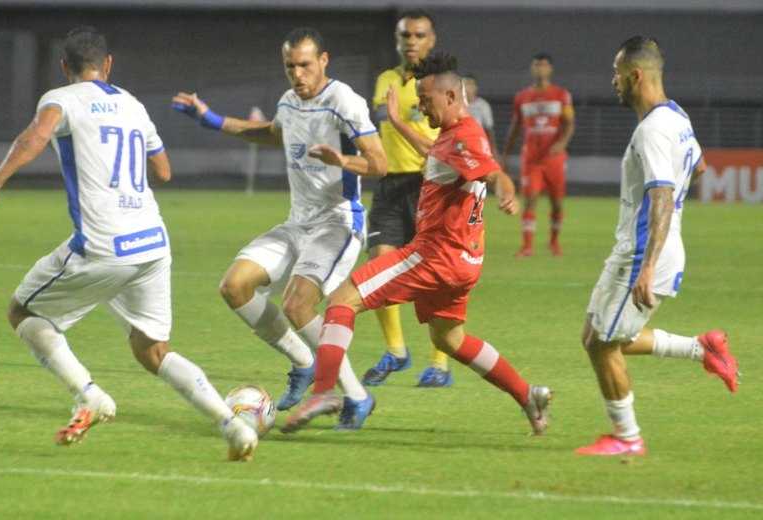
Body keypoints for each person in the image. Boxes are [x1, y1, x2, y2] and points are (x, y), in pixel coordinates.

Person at [0, 27, 258, 461]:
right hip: (151, 244)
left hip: (102, 246)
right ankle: (233, 427)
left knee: (21, 312)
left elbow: (35, 135)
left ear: (65, 67)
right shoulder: (132, 103)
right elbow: (162, 172)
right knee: (154, 351)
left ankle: (88, 395)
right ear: (107, 66)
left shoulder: (61, 98)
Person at [282, 52, 552, 435]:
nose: (420, 107)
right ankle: (528, 395)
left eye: (425, 100)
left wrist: (507, 193)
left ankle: (324, 392)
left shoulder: (466, 138)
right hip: (464, 262)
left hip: (433, 256)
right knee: (449, 338)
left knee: (342, 298)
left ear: (451, 97)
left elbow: (494, 174)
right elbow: (435, 153)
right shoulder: (453, 137)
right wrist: (395, 122)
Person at [171, 27, 387, 430]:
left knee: (296, 304)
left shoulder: (344, 102)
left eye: (305, 65)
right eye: (290, 67)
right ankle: (303, 361)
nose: (298, 74)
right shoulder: (289, 102)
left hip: (338, 222)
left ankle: (356, 395)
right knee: (234, 286)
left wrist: (342, 160)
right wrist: (212, 120)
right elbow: (273, 134)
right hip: (297, 223)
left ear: (323, 61)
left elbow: (380, 162)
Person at [575, 36, 739, 457]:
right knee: (600, 332)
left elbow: (663, 196)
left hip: (642, 254)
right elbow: (698, 166)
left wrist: (647, 267)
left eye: (616, 73)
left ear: (635, 75)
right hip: (648, 248)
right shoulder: (676, 115)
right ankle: (703, 349)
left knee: (600, 343)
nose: (612, 80)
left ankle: (627, 438)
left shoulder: (652, 130)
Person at [363, 9, 455, 389]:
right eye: (405, 36)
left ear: (431, 40)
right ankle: (396, 351)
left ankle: (440, 362)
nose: (411, 42)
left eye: (418, 35)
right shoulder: (385, 79)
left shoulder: (441, 82)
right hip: (388, 184)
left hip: (428, 186)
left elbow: (453, 132)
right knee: (380, 265)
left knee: (434, 274)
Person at [501, 52, 575, 257]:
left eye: (543, 65)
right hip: (531, 159)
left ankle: (553, 242)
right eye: (536, 65)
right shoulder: (522, 97)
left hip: (554, 159)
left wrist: (561, 143)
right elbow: (515, 128)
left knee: (557, 203)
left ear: (550, 69)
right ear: (532, 69)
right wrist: (505, 156)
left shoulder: (561, 95)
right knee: (530, 199)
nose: (540, 69)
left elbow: (569, 124)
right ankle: (527, 247)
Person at [463, 74, 498, 158]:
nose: (467, 87)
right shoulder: (456, 104)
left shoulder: (483, 105)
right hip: (461, 144)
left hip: (478, 145)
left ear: (476, 87)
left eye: (470, 84)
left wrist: (493, 149)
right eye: (464, 84)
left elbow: (489, 129)